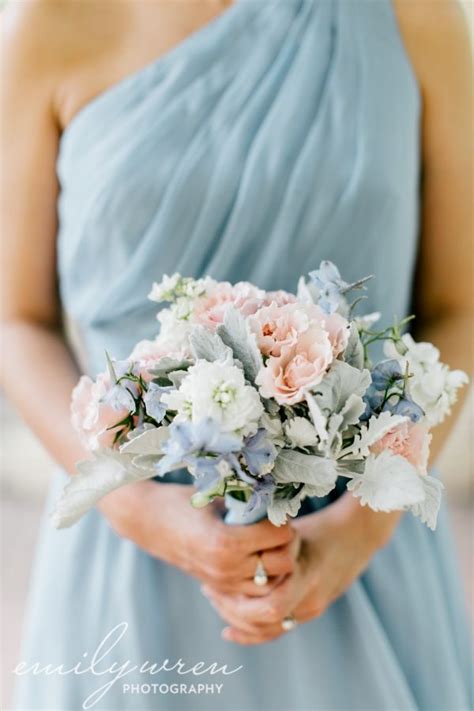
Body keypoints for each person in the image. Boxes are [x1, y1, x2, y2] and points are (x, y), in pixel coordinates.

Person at [1, 1, 472, 709]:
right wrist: (133, 507)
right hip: (129, 556)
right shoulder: (56, 21)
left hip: (367, 552)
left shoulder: (416, 15)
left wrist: (361, 527)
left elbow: (457, 308)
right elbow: (16, 318)